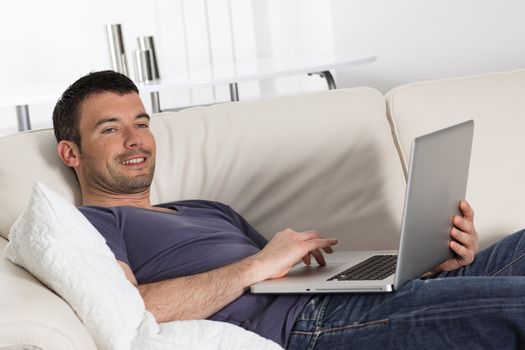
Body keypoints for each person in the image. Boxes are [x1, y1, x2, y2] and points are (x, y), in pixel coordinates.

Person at [52, 70, 525, 349]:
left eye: (141, 123)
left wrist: (434, 265)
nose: (136, 140)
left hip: (353, 299)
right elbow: (132, 309)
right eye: (110, 129)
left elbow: (283, 274)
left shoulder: (204, 208)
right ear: (71, 153)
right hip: (313, 325)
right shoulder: (91, 223)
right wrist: (259, 263)